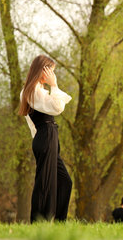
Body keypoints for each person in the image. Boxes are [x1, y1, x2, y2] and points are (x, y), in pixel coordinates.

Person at [18, 55, 73, 223]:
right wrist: (54, 85)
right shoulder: (33, 90)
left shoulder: (36, 91)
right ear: (43, 71)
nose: (52, 75)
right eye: (51, 71)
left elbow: (32, 124)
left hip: (46, 138)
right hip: (46, 137)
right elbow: (57, 107)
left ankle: (59, 222)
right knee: (45, 182)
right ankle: (39, 222)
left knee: (64, 181)